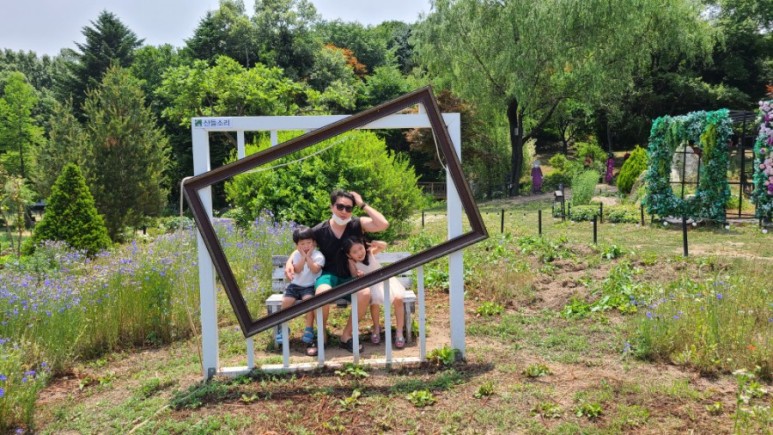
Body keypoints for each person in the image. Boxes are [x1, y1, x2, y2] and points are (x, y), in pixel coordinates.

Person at [285, 190, 389, 355]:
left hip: (351, 276)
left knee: (364, 293)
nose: (344, 211)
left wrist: (362, 204)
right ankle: (322, 335)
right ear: (331, 206)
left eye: (349, 208)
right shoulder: (319, 230)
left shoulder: (356, 224)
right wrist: (289, 261)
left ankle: (346, 336)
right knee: (322, 293)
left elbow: (383, 224)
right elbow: (302, 245)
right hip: (328, 275)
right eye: (340, 206)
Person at [342, 237, 407, 349]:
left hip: (385, 281)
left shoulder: (370, 253)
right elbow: (353, 275)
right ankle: (377, 328)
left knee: (398, 298)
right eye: (354, 252)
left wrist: (376, 243)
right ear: (349, 255)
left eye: (360, 248)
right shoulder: (351, 262)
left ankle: (399, 331)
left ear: (364, 246)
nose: (359, 253)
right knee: (375, 301)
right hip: (371, 285)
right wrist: (358, 274)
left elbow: (384, 245)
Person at [276, 226, 325, 346]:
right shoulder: (297, 255)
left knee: (309, 303)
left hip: (309, 287)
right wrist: (303, 257)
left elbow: (314, 270)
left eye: (309, 242)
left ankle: (309, 329)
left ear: (314, 243)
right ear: (297, 245)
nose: (306, 246)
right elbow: (297, 270)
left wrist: (308, 257)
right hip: (295, 286)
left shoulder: (318, 256)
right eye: (302, 244)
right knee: (286, 302)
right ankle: (284, 328)